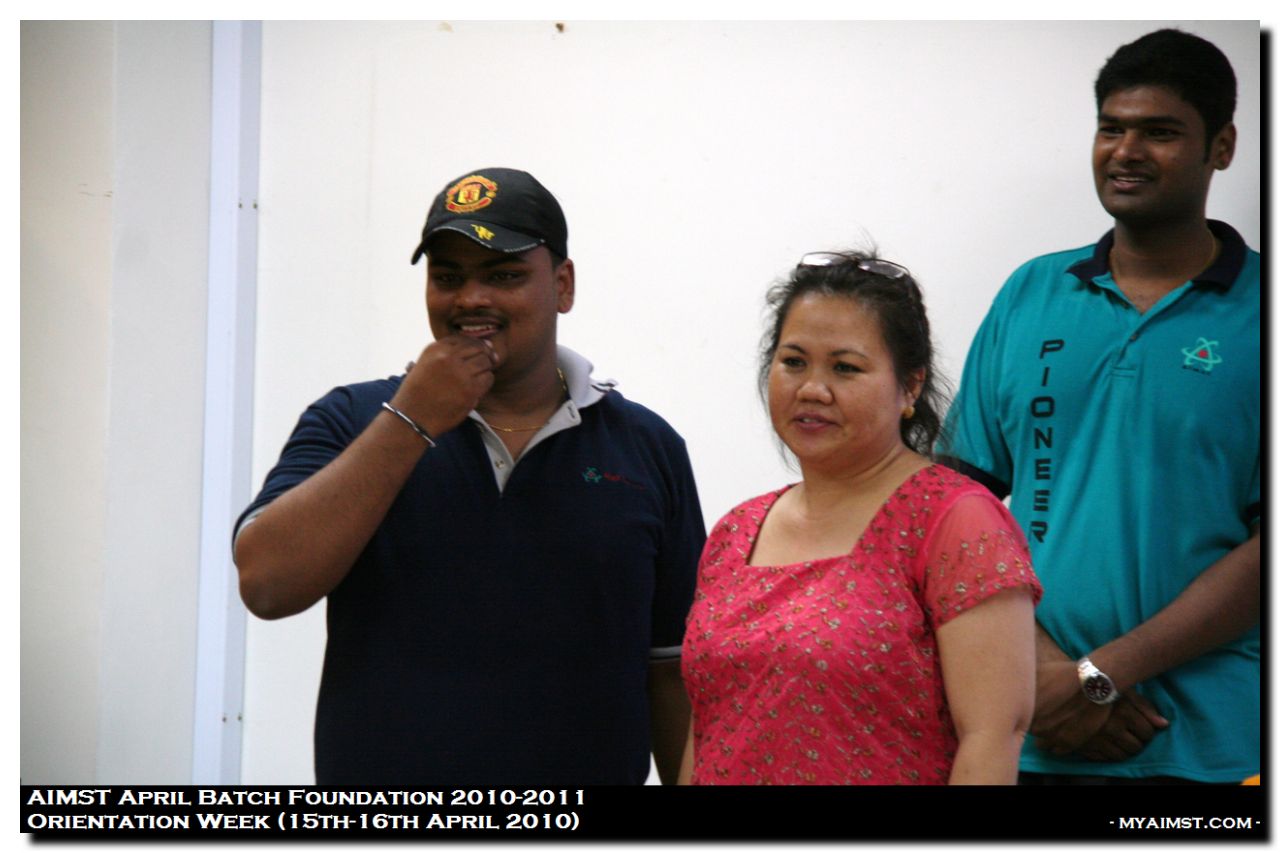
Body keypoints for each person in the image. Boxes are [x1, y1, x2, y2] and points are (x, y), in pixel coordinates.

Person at [233, 167, 705, 785]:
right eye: (448, 277)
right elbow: (266, 585)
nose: (470, 298)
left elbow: (672, 670)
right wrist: (411, 420)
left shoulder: (647, 447)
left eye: (504, 276)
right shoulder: (354, 419)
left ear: (563, 285)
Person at [940, 29, 1259, 784]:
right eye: (1111, 128)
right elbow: (951, 510)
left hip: (1212, 751)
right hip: (1026, 730)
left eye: (1160, 132)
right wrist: (1044, 671)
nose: (1126, 152)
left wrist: (1101, 674)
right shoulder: (1031, 292)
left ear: (1221, 147)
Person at [679, 251, 1041, 785]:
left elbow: (993, 737)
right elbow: (707, 729)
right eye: (793, 362)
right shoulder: (737, 529)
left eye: (845, 368)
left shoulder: (956, 520)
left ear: (910, 386)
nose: (812, 389)